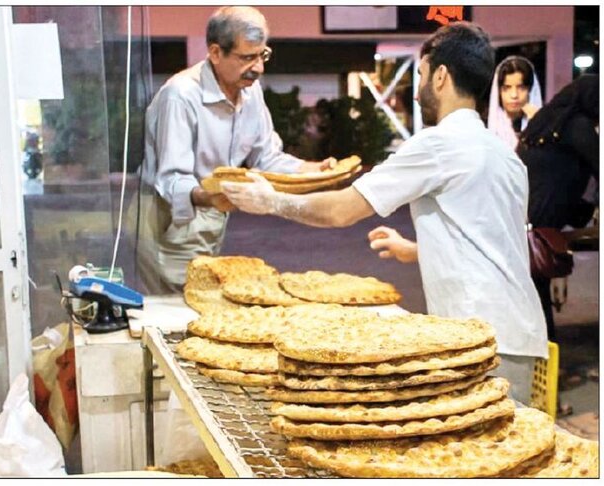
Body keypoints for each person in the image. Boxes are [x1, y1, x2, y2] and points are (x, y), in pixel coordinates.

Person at [222, 21, 548, 404]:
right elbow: (493, 239)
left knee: (475, 457)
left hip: (479, 337)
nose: (418, 91)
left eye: (422, 76)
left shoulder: (439, 144)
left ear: (441, 77)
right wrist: (416, 249)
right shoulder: (502, 155)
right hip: (519, 334)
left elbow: (341, 211)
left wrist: (271, 200)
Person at [135, 6, 334, 294]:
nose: (259, 68)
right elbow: (172, 178)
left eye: (263, 55)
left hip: (213, 209)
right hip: (171, 215)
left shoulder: (251, 90)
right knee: (181, 307)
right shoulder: (180, 96)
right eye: (247, 57)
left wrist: (314, 169)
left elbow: (266, 156)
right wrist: (210, 197)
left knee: (203, 302)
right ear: (216, 53)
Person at [517, 74, 599, 342]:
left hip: (526, 218)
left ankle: (539, 359)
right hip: (542, 225)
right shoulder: (578, 126)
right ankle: (543, 359)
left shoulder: (544, 122)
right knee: (538, 299)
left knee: (531, 296)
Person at [487, 56, 543, 150]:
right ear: (498, 92)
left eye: (521, 88)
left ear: (530, 90)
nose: (514, 95)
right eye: (506, 88)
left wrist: (536, 125)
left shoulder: (546, 126)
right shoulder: (486, 130)